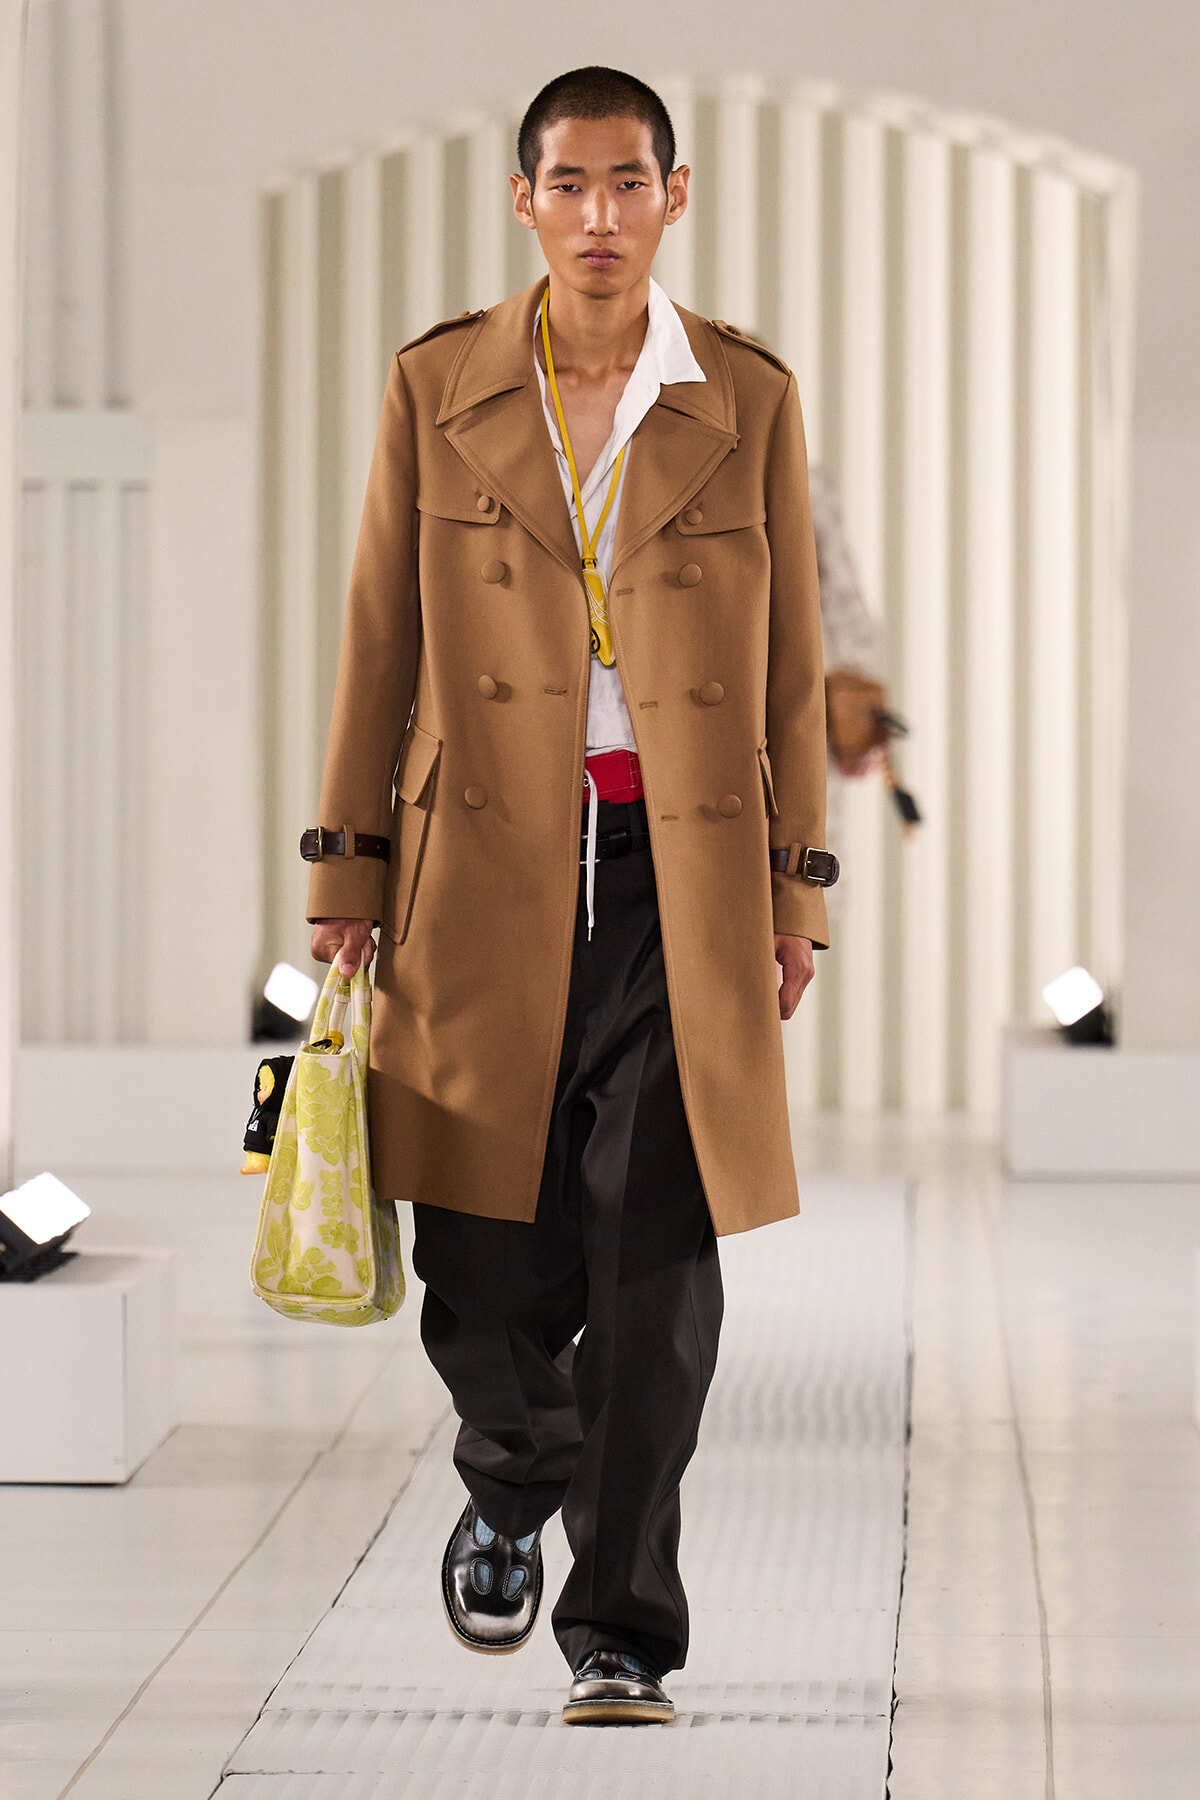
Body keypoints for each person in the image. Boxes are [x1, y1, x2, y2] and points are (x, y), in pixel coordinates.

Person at [304, 65, 835, 1726]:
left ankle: (620, 1629)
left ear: (675, 195)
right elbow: (378, 636)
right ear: (525, 198)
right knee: (481, 1244)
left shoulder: (745, 396)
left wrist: (794, 890)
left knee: (655, 1263)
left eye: (630, 184)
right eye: (569, 185)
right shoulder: (437, 386)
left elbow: (794, 664)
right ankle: (514, 1466)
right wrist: (346, 867)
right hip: (473, 873)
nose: (600, 216)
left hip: (680, 880)